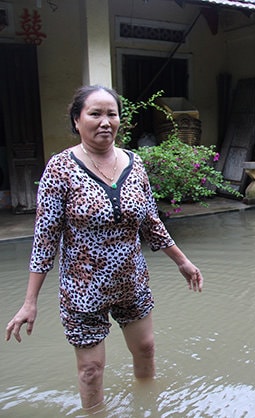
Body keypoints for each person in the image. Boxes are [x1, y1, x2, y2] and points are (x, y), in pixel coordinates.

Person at [5, 85, 204, 412]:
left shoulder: (135, 163)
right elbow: (45, 238)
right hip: (83, 290)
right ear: (77, 120)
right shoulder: (60, 169)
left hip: (132, 282)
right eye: (94, 113)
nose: (104, 121)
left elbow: (151, 221)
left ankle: (146, 407)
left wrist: (182, 262)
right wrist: (29, 302)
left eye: (111, 114)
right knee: (90, 370)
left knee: (146, 350)